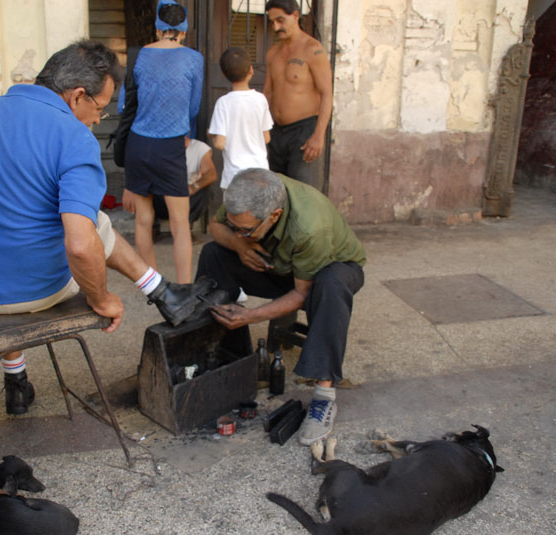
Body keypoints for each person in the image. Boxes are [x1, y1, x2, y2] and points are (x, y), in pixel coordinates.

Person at [0, 40, 212, 415]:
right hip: (25, 292)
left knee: (15, 215)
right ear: (76, 96)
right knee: (92, 223)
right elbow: (81, 247)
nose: (99, 120)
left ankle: (16, 378)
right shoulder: (73, 136)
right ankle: (160, 289)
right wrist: (101, 299)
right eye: (99, 108)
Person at [195, 168, 365, 445]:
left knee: (330, 285)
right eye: (235, 226)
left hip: (331, 272)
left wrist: (251, 316)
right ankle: (226, 356)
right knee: (213, 253)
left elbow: (301, 293)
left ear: (274, 215)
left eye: (246, 230)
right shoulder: (247, 191)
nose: (239, 233)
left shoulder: (310, 227)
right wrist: (239, 245)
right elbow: (216, 228)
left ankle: (324, 397)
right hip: (279, 265)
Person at [123, 0, 204, 283]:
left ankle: (152, 285)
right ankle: (183, 287)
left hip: (138, 144)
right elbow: (193, 107)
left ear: (157, 28)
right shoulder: (194, 58)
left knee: (143, 220)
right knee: (180, 223)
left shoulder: (140, 55)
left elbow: (125, 105)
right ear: (182, 32)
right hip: (170, 146)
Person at [263, 0, 333, 190]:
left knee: (302, 192)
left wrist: (319, 135)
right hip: (275, 131)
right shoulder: (273, 53)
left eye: (280, 20)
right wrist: (260, 127)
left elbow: (327, 94)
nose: (276, 27)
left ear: (295, 16)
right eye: (272, 22)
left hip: (303, 131)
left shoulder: (313, 50)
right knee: (274, 189)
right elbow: (267, 92)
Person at [122, 136, 217, 237]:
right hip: (160, 197)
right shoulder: (156, 147)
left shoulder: (199, 147)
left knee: (206, 191)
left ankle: (186, 226)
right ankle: (153, 226)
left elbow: (211, 174)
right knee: (143, 187)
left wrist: (193, 187)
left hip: (186, 196)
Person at [208, 47, 274, 189]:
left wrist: (212, 135)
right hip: (260, 173)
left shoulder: (223, 103)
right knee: (258, 210)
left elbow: (220, 143)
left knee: (235, 211)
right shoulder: (260, 99)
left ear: (224, 75)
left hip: (234, 175)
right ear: (251, 70)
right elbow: (266, 138)